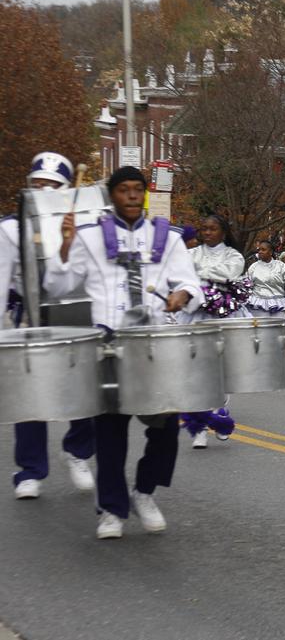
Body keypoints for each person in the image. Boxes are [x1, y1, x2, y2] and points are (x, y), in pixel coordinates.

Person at [46, 165, 205, 539]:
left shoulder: (169, 238)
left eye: (138, 189)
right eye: (124, 190)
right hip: (109, 345)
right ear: (112, 196)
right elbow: (57, 288)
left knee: (165, 431)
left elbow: (190, 284)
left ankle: (144, 492)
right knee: (111, 432)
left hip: (155, 345)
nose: (132, 196)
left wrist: (181, 295)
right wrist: (65, 246)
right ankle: (111, 510)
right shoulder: (88, 238)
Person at [3, 152, 97, 500]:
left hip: (76, 318)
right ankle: (30, 470)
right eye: (37, 184)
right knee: (30, 397)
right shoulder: (11, 228)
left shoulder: (84, 225)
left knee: (86, 391)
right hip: (28, 318)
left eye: (52, 185)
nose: (43, 189)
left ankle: (78, 451)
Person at [180, 214, 248, 448]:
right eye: (204, 229)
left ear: (223, 232)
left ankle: (219, 414)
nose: (208, 233)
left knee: (221, 371)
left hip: (224, 315)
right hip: (194, 316)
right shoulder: (190, 254)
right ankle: (198, 427)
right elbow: (180, 276)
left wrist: (198, 276)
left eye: (213, 229)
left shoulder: (234, 255)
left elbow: (230, 274)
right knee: (196, 371)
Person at [246, 240, 285, 319]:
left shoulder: (280, 266)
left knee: (277, 329)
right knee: (261, 330)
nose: (260, 252)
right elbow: (247, 284)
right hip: (258, 306)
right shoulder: (253, 267)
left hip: (277, 305)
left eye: (263, 249)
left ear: (270, 252)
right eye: (259, 250)